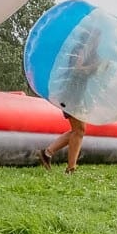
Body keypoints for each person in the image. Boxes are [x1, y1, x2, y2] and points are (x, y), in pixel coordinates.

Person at [39, 22, 107, 174]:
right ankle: (70, 168)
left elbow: (91, 74)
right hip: (70, 93)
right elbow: (77, 70)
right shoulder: (80, 50)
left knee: (77, 130)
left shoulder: (93, 54)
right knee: (80, 130)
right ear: (90, 37)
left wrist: (102, 67)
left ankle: (47, 153)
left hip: (78, 94)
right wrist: (95, 66)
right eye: (96, 37)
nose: (98, 41)